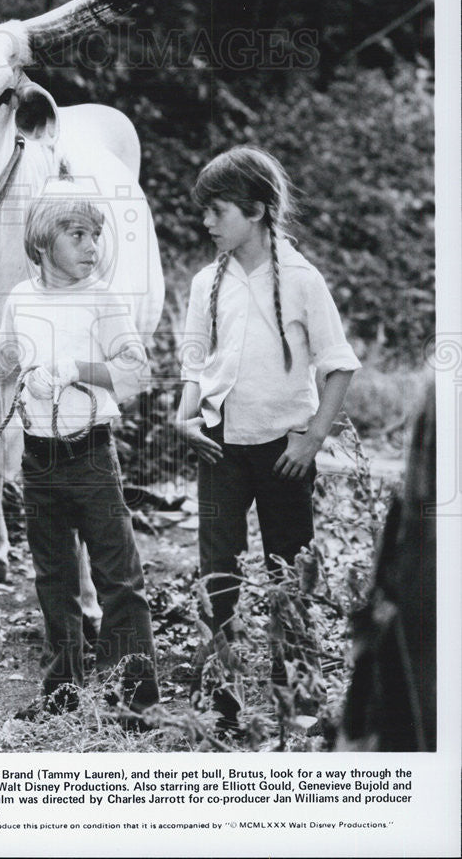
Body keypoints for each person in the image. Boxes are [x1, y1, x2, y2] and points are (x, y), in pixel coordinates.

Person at [0, 185, 160, 722]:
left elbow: (137, 371)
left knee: (119, 577)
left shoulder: (103, 298)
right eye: (79, 235)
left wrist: (75, 369)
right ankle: (61, 690)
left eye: (96, 235)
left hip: (92, 455)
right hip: (39, 460)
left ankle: (135, 699)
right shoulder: (23, 298)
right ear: (44, 242)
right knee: (52, 577)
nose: (93, 246)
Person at [176, 146, 360, 729]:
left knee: (289, 564)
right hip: (219, 445)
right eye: (204, 211)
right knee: (217, 568)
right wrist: (185, 417)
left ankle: (296, 691)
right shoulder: (207, 281)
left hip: (285, 449)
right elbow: (194, 362)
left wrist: (310, 441)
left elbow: (339, 366)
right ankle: (220, 692)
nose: (206, 223)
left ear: (256, 209)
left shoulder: (303, 279)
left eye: (218, 210)